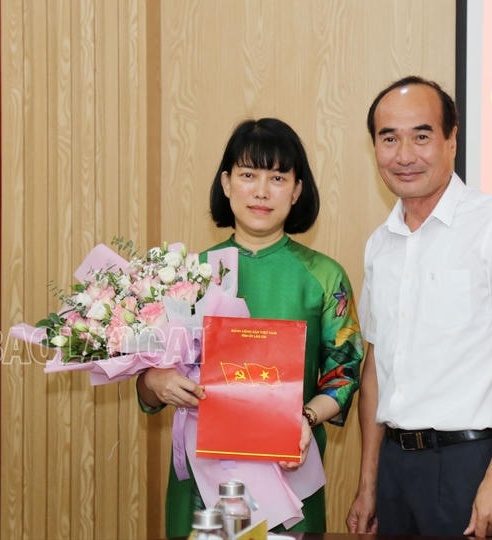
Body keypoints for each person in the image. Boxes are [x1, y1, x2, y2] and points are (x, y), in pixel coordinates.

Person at [136, 117, 364, 537]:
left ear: (296, 191)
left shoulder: (324, 276)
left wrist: (306, 417)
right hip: (203, 480)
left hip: (289, 473)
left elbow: (345, 372)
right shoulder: (186, 275)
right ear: (226, 184)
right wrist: (154, 380)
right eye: (248, 175)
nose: (261, 191)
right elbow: (148, 390)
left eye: (278, 178)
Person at [346, 76, 492, 538]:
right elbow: (376, 368)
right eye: (389, 139)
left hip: (469, 464)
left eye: (421, 136)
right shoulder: (380, 243)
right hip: (395, 467)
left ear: (451, 140)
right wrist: (369, 483)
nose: (404, 155)